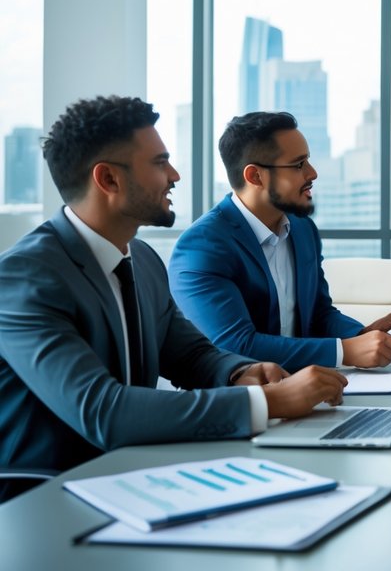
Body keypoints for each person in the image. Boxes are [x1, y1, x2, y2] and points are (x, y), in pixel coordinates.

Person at [0, 96, 346, 493]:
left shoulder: (142, 259)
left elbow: (190, 354)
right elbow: (102, 411)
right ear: (109, 179)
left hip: (133, 476)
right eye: (160, 162)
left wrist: (240, 372)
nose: (175, 175)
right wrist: (271, 403)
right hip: (44, 494)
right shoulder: (23, 278)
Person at [170, 112, 391, 371]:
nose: (312, 173)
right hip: (241, 401)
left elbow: (319, 314)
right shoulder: (202, 246)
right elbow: (235, 345)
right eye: (298, 164)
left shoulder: (302, 229)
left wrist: (362, 335)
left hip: (308, 384)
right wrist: (344, 351)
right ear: (255, 176)